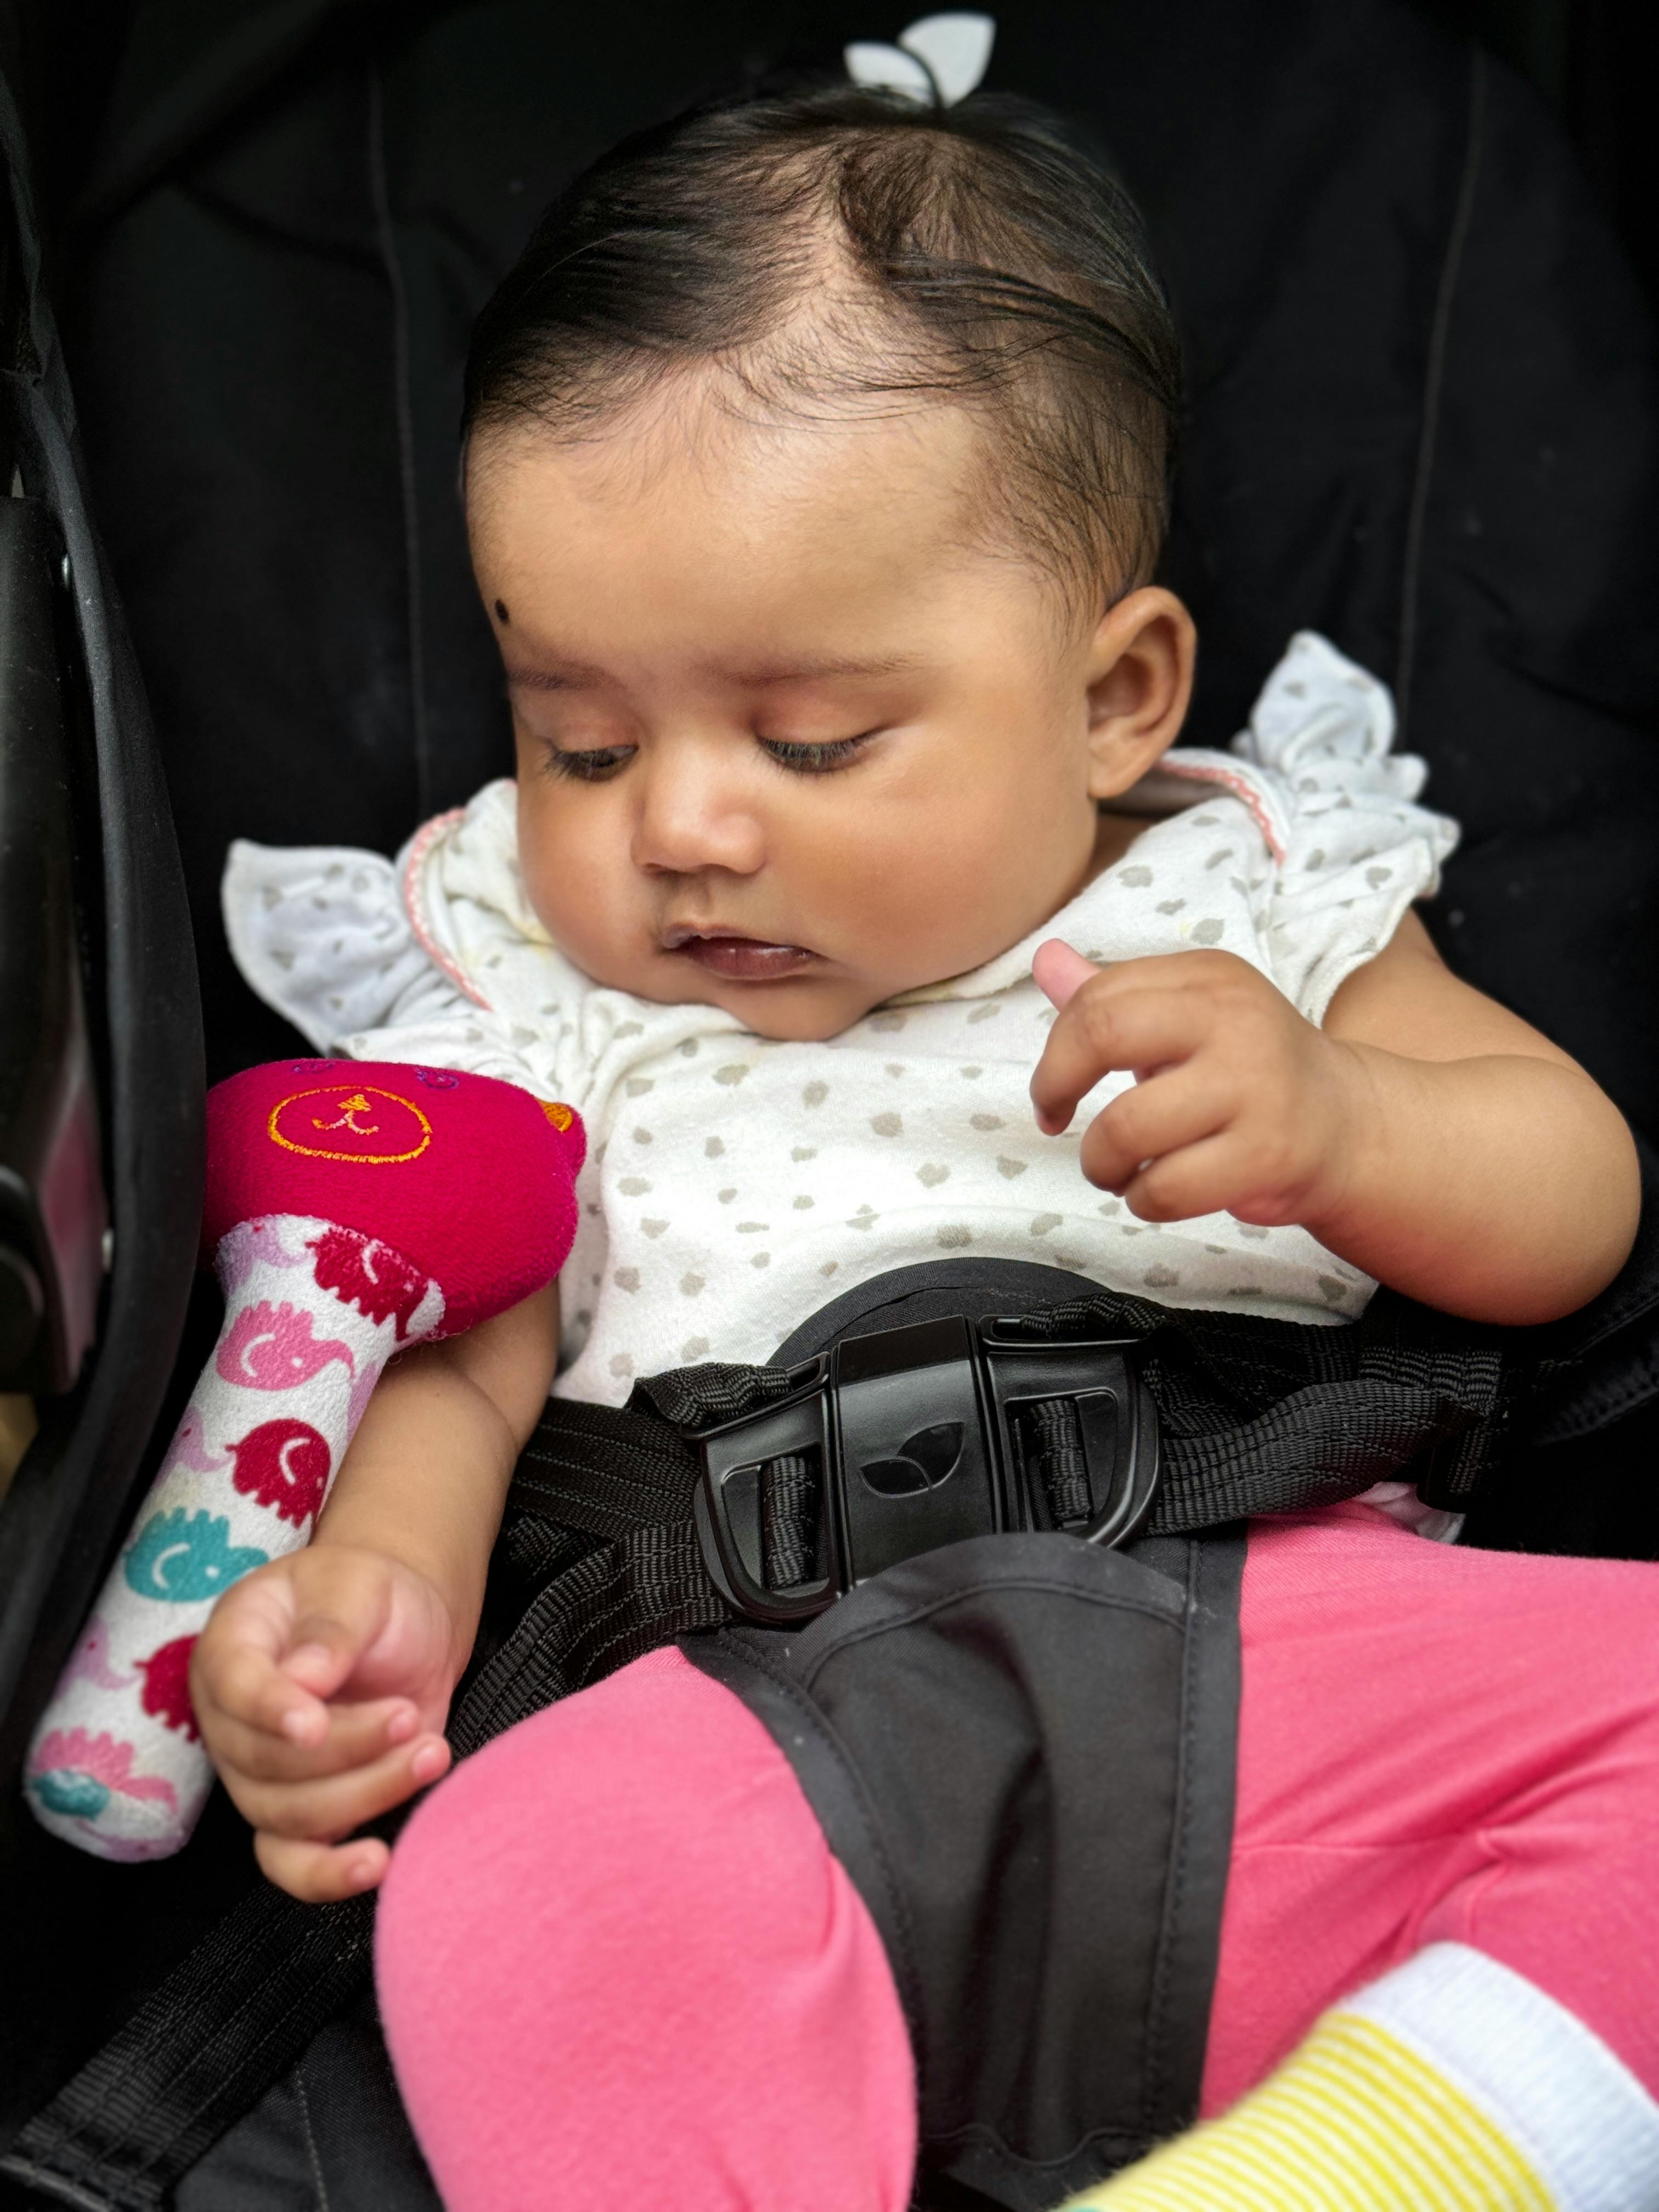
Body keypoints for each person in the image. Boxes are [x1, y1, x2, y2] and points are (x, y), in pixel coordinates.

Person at [196, 87, 1658, 2211]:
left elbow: (1574, 1193)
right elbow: (463, 1373)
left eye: (809, 740)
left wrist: (1345, 1127)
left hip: (1266, 1685)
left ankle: (1380, 2157)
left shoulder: (1247, 892)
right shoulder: (550, 991)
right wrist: (371, 1613)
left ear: (1115, 696)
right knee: (507, 1879)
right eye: (581, 742)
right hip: (756, 1725)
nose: (681, 826)